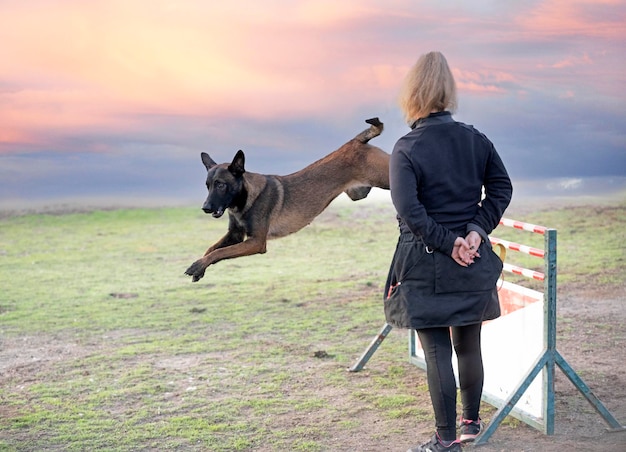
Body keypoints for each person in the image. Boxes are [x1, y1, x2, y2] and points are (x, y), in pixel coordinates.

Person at [383, 51, 513, 452]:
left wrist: (449, 240)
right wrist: (474, 231)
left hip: (425, 259)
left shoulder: (406, 148)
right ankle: (470, 424)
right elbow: (502, 189)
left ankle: (445, 441)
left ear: (412, 95)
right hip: (472, 259)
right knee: (468, 343)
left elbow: (409, 209)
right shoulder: (477, 139)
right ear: (449, 91)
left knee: (437, 349)